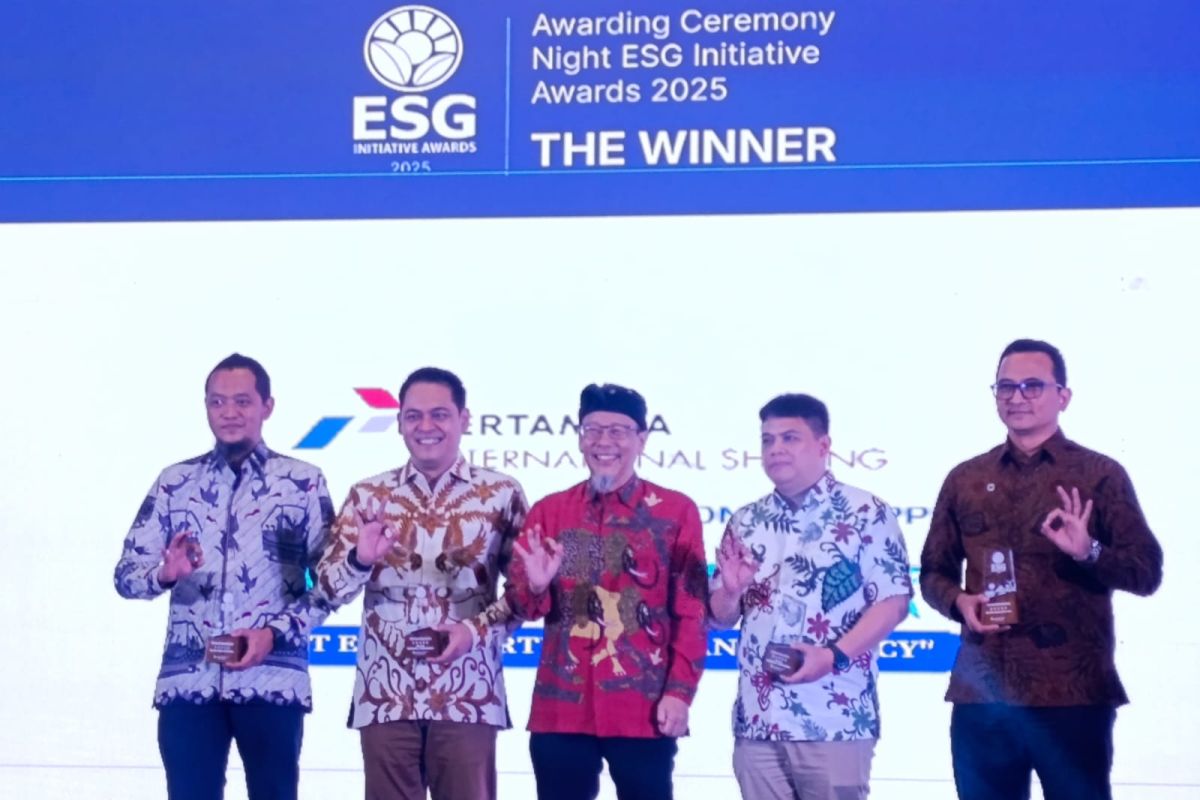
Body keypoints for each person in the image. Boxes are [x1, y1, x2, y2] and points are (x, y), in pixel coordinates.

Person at [920, 338, 1163, 800]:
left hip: (1071, 694)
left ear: (1062, 396)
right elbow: (933, 572)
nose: (1017, 397)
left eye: (1032, 386)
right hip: (982, 692)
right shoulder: (965, 478)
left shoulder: (1099, 474)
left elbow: (1145, 572)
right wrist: (959, 602)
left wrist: (1088, 550)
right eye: (1005, 387)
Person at [114, 353, 336, 800]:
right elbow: (126, 576)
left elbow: (330, 586)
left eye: (241, 401)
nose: (228, 412)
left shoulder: (303, 483)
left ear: (267, 406)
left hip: (272, 680)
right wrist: (165, 574)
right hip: (189, 683)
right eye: (217, 402)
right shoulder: (175, 482)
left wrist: (275, 633)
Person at [315, 367, 527, 800]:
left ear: (464, 419)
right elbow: (327, 591)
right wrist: (360, 559)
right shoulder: (368, 496)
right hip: (386, 694)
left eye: (439, 414)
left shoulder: (501, 494)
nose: (425, 426)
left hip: (468, 694)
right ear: (399, 422)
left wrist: (474, 632)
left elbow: (525, 595)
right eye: (413, 416)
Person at [508, 383, 708, 800]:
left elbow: (691, 613)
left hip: (643, 709)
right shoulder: (550, 511)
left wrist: (679, 693)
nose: (604, 442)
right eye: (593, 430)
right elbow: (522, 606)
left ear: (641, 439)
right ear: (580, 438)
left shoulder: (676, 512)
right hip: (561, 709)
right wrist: (537, 585)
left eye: (618, 431)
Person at [708, 393, 912, 800]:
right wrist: (730, 591)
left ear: (823, 446)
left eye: (790, 438)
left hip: (834, 718)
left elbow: (893, 601)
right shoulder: (746, 520)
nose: (776, 449)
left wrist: (832, 655)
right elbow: (721, 617)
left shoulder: (865, 512)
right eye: (767, 440)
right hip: (758, 720)